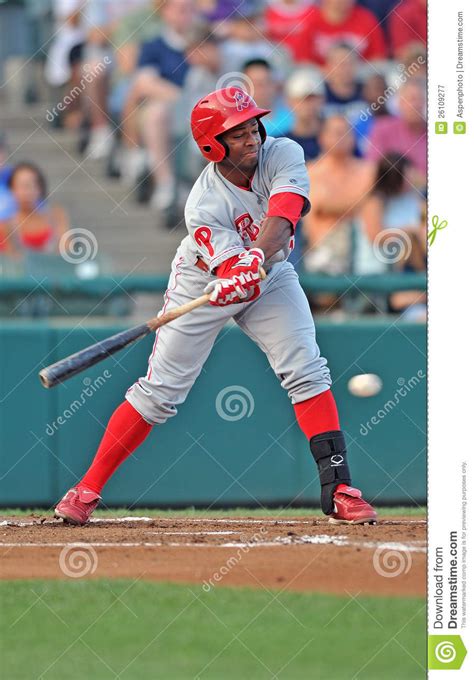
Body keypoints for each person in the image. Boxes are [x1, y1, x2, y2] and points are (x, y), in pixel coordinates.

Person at [54, 87, 377, 526]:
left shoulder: (283, 152)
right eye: (238, 133)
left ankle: (340, 489)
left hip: (271, 270)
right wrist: (232, 276)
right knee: (160, 393)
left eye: (252, 127)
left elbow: (282, 219)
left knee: (305, 367)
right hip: (201, 282)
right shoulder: (204, 204)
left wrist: (255, 260)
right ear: (212, 145)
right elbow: (232, 275)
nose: (252, 138)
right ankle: (86, 490)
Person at [119, 0, 195, 210]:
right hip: (170, 108)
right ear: (165, 13)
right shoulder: (154, 45)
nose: (184, 15)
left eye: (189, 10)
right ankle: (166, 183)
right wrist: (181, 97)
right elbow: (144, 82)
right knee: (156, 114)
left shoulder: (203, 42)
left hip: (200, 106)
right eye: (179, 10)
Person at [304, 116, 375, 274]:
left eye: (346, 133)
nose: (342, 138)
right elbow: (322, 206)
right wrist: (363, 201)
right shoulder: (310, 172)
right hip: (323, 250)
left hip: (366, 248)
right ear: (322, 137)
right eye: (337, 133)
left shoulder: (368, 170)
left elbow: (375, 206)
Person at [365, 79, 427, 189]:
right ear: (400, 103)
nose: (417, 105)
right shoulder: (382, 128)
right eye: (412, 99)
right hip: (390, 195)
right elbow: (372, 168)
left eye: (421, 100)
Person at [0, 163, 69, 254]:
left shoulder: (56, 217)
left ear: (40, 188)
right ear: (12, 190)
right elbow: (12, 261)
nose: (26, 192)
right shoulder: (5, 225)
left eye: (30, 185)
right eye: (21, 186)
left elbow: (67, 251)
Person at [303, 0, 387, 66]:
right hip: (322, 78)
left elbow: (378, 58)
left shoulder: (366, 19)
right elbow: (304, 61)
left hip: (359, 77)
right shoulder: (310, 20)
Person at [284, 66, 325, 162]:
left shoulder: (335, 139)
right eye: (301, 99)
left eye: (312, 98)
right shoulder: (279, 144)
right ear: (289, 101)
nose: (307, 104)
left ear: (322, 100)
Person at [242, 59, 292, 137]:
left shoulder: (292, 116)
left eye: (267, 82)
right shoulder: (240, 123)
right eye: (257, 84)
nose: (263, 89)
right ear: (245, 87)